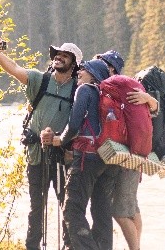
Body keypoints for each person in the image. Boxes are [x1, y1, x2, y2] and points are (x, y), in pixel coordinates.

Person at [0, 36, 82, 250]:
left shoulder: (80, 90)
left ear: (74, 63)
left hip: (62, 158)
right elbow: (14, 68)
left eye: (64, 55)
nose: (58, 57)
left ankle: (69, 246)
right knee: (36, 208)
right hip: (36, 155)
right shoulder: (39, 80)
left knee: (66, 206)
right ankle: (32, 247)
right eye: (56, 54)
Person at [41, 59, 119, 250]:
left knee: (72, 209)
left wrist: (60, 140)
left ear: (94, 75)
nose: (79, 72)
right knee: (101, 209)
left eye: (84, 69)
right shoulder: (107, 94)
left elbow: (74, 125)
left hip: (86, 157)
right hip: (107, 157)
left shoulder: (85, 90)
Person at [96, 50, 158, 250]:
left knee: (122, 211)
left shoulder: (120, 88)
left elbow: (153, 110)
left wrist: (149, 99)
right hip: (132, 154)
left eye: (102, 63)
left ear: (112, 68)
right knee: (131, 207)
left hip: (127, 156)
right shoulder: (116, 88)